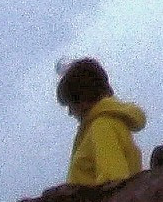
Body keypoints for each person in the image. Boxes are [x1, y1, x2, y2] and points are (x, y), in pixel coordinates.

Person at [57, 56, 147, 185]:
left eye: (71, 104)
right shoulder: (110, 123)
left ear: (84, 99)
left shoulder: (102, 127)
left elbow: (113, 183)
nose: (70, 112)